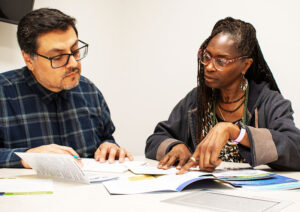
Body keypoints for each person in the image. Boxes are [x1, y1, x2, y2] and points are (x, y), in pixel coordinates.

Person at [145, 17, 300, 173]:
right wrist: (174, 146)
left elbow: (295, 149)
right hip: (201, 192)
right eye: (206, 57)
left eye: (221, 61)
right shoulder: (196, 100)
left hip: (253, 195)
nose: (209, 67)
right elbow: (155, 139)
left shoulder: (269, 101)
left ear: (245, 65)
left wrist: (236, 132)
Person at [0, 8, 133, 168]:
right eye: (58, 57)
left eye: (75, 51)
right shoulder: (3, 92)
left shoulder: (88, 90)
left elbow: (106, 137)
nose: (73, 64)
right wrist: (27, 157)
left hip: (90, 190)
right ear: (29, 59)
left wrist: (109, 147)